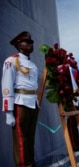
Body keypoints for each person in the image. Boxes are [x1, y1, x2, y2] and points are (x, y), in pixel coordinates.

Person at [1, 31, 39, 166]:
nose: (31, 45)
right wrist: (8, 112)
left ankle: (30, 163)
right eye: (27, 42)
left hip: (33, 102)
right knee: (21, 140)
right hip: (20, 102)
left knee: (30, 138)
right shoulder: (11, 61)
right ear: (19, 45)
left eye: (31, 42)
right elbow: (6, 85)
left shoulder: (32, 65)